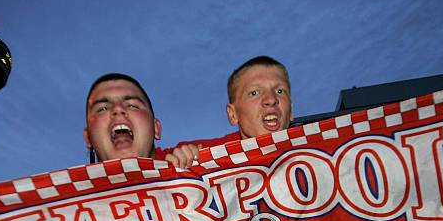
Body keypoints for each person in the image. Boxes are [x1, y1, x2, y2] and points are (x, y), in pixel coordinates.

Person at [164, 55, 292, 167]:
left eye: (279, 91)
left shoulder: (312, 144)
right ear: (233, 114)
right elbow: (145, 160)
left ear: (291, 110)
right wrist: (172, 168)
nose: (271, 99)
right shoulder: (206, 154)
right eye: (254, 93)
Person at [83, 73, 162, 162]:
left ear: (156, 129)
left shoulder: (179, 167)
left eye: (132, 106)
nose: (118, 109)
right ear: (88, 138)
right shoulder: (65, 176)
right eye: (103, 109)